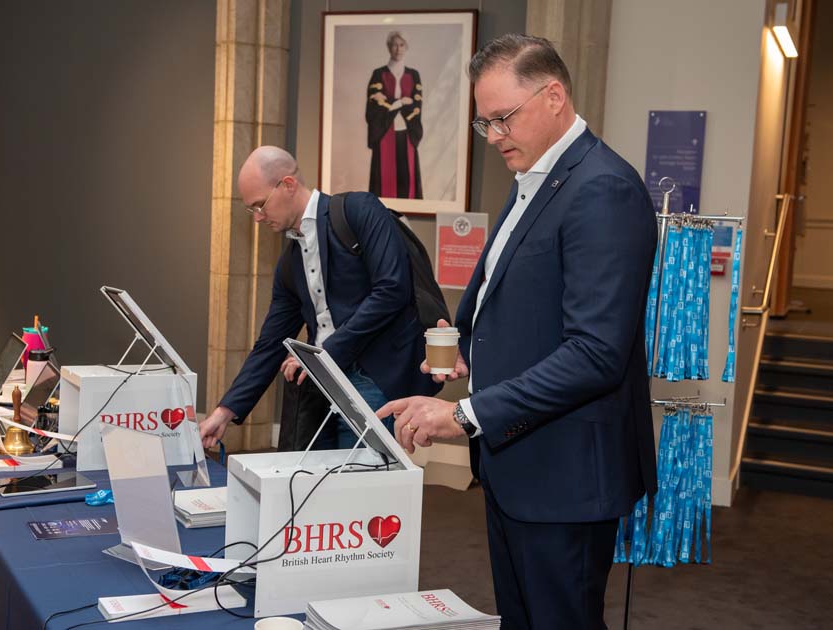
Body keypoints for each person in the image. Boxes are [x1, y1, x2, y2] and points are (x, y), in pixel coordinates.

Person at [377, 34, 658, 629]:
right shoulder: (536, 175)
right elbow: (528, 309)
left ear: (554, 96)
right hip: (518, 464)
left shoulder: (602, 188)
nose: (494, 136)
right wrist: (468, 351)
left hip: (566, 475)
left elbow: (595, 353)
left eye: (503, 118)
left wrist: (462, 415)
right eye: (485, 123)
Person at [199, 146, 439, 450]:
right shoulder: (290, 263)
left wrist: (324, 352)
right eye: (252, 210)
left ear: (288, 184)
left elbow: (392, 290)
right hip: (320, 386)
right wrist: (224, 412)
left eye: (260, 205)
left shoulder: (359, 210)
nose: (258, 217)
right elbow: (270, 343)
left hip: (373, 378)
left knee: (361, 476)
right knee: (315, 476)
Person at [366, 31, 423, 200]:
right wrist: (400, 102)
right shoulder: (378, 74)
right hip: (384, 132)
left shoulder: (413, 75)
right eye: (394, 45)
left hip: (407, 132)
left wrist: (389, 102)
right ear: (389, 47)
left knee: (407, 178)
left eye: (402, 45)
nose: (398, 49)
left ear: (406, 47)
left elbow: (416, 104)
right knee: (385, 178)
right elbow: (375, 105)